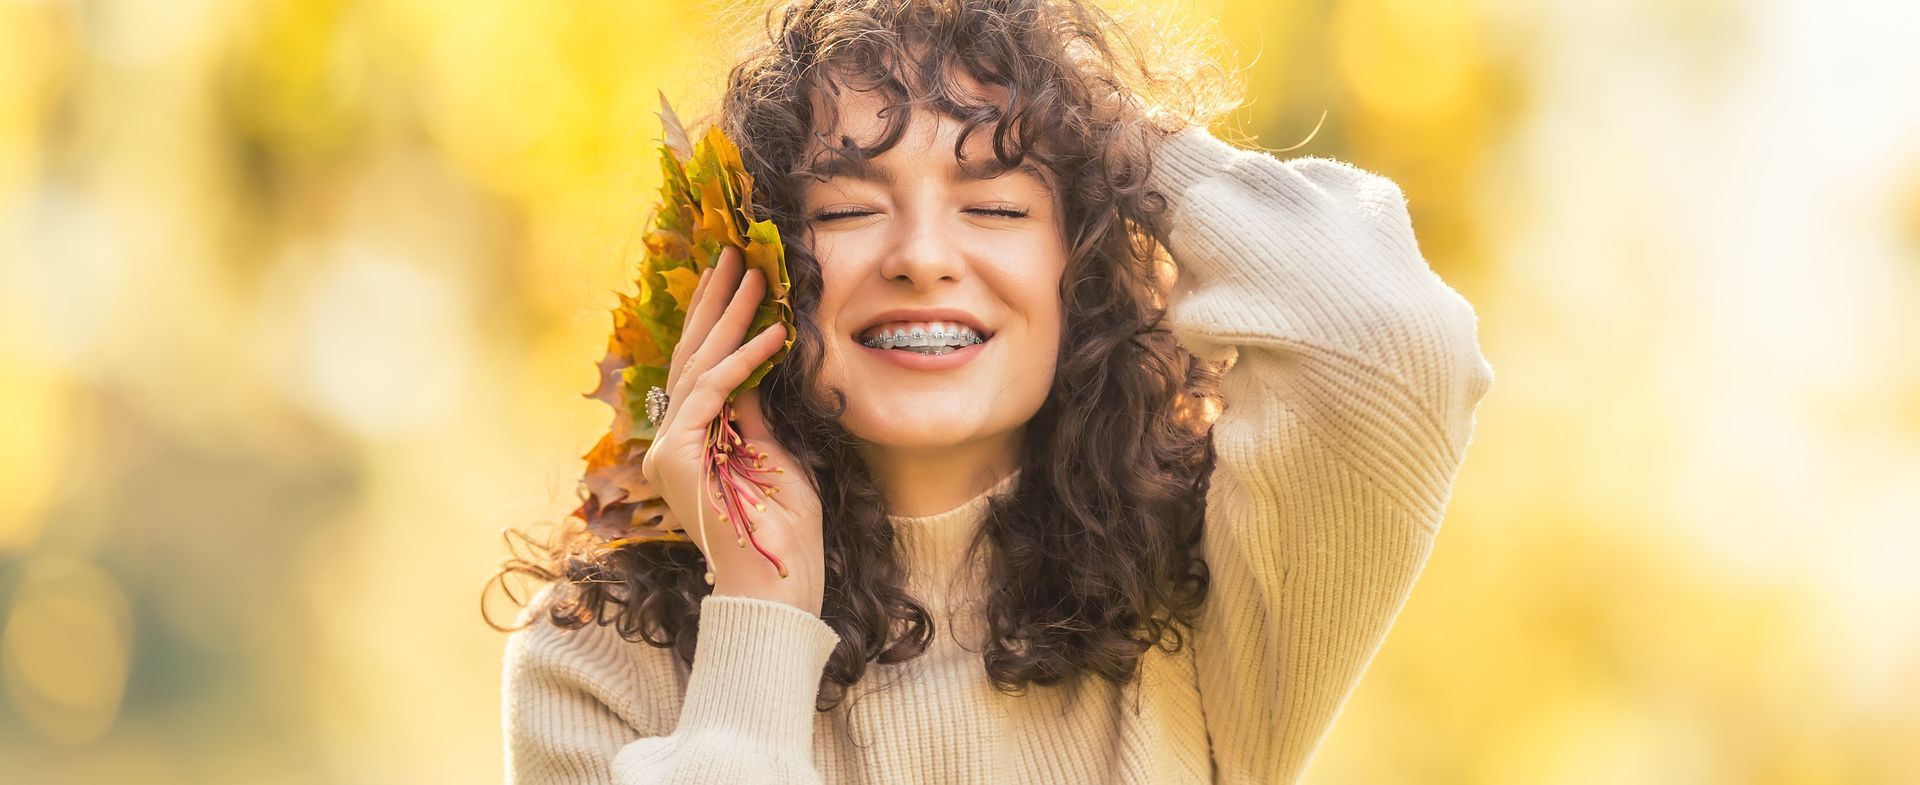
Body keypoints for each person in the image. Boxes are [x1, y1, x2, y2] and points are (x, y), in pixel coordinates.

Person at [493, 1, 1494, 782]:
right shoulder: (601, 656)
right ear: (758, 274)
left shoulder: (1207, 591)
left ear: (1086, 260)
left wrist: (1103, 130)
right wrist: (755, 614)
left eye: (999, 200)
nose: (924, 256)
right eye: (846, 207)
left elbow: (1388, 337)